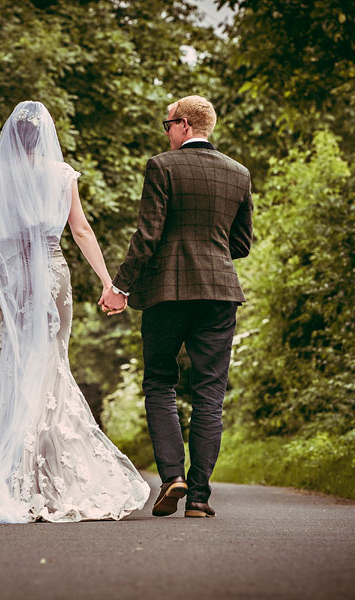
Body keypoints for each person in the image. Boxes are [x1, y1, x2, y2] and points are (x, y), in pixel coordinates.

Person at [0, 101, 150, 524]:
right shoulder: (61, 174)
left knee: (3, 360)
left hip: (11, 279)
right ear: (44, 137)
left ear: (10, 137)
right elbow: (81, 230)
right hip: (53, 275)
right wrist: (108, 282)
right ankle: (50, 475)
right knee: (50, 364)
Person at [100, 95, 253, 518]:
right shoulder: (239, 174)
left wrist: (120, 287)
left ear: (184, 124)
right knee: (210, 394)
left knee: (160, 384)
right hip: (221, 293)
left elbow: (147, 236)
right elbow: (241, 243)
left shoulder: (162, 167)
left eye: (168, 124)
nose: (165, 132)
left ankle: (173, 478)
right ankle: (200, 499)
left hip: (168, 292)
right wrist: (210, 251)